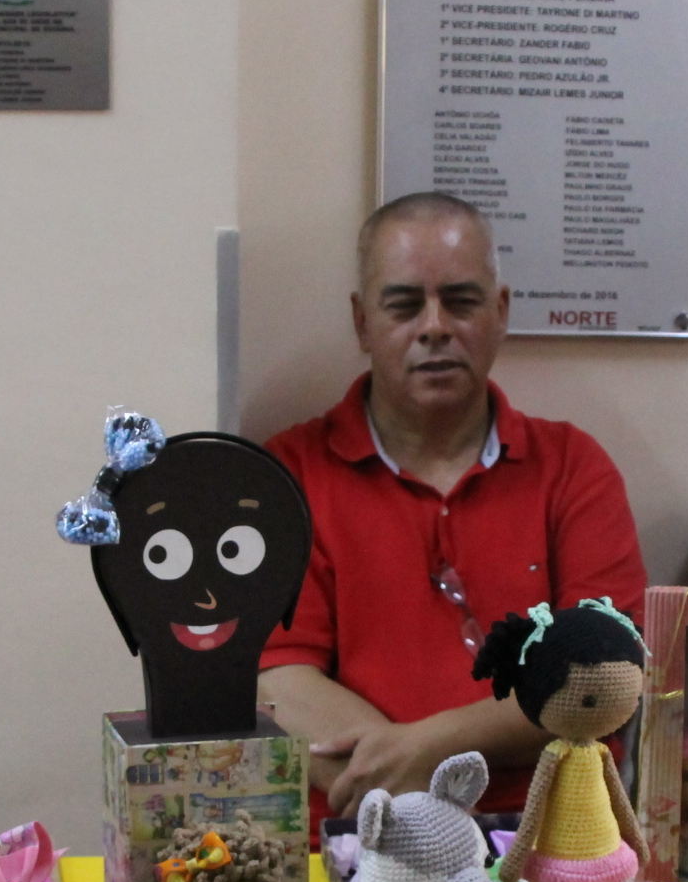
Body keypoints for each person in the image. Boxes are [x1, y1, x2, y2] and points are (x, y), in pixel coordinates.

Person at [258, 191, 646, 818]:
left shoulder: (573, 468)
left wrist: (428, 750)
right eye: (404, 305)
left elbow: (603, 676)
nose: (435, 327)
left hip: (548, 841)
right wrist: (417, 807)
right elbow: (279, 680)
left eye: (461, 302)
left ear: (501, 312)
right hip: (360, 834)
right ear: (362, 322)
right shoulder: (290, 474)